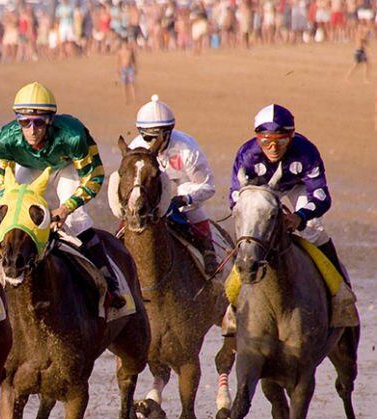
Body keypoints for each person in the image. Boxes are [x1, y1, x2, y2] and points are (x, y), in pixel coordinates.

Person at [0, 81, 124, 307]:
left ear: (50, 121)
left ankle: (110, 281)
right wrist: (12, 205)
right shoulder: (5, 139)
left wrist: (65, 208)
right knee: (9, 216)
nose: (32, 130)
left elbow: (94, 177)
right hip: (29, 167)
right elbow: (0, 180)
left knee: (76, 219)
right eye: (24, 122)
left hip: (66, 166)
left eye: (39, 122)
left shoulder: (72, 136)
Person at [228, 103, 357, 325]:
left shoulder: (306, 152)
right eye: (266, 141)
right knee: (250, 235)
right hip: (259, 191)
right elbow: (235, 198)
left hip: (297, 187)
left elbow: (321, 197)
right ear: (257, 138)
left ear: (292, 136)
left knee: (314, 230)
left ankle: (340, 293)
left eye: (281, 141)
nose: (273, 148)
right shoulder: (247, 155)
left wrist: (299, 217)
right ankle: (232, 305)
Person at [129, 94, 219, 275]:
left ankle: (207, 250)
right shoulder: (136, 146)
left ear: (168, 133)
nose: (151, 144)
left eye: (156, 138)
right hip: (150, 192)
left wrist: (186, 198)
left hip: (181, 191)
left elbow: (208, 186)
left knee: (186, 192)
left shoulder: (187, 149)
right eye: (147, 138)